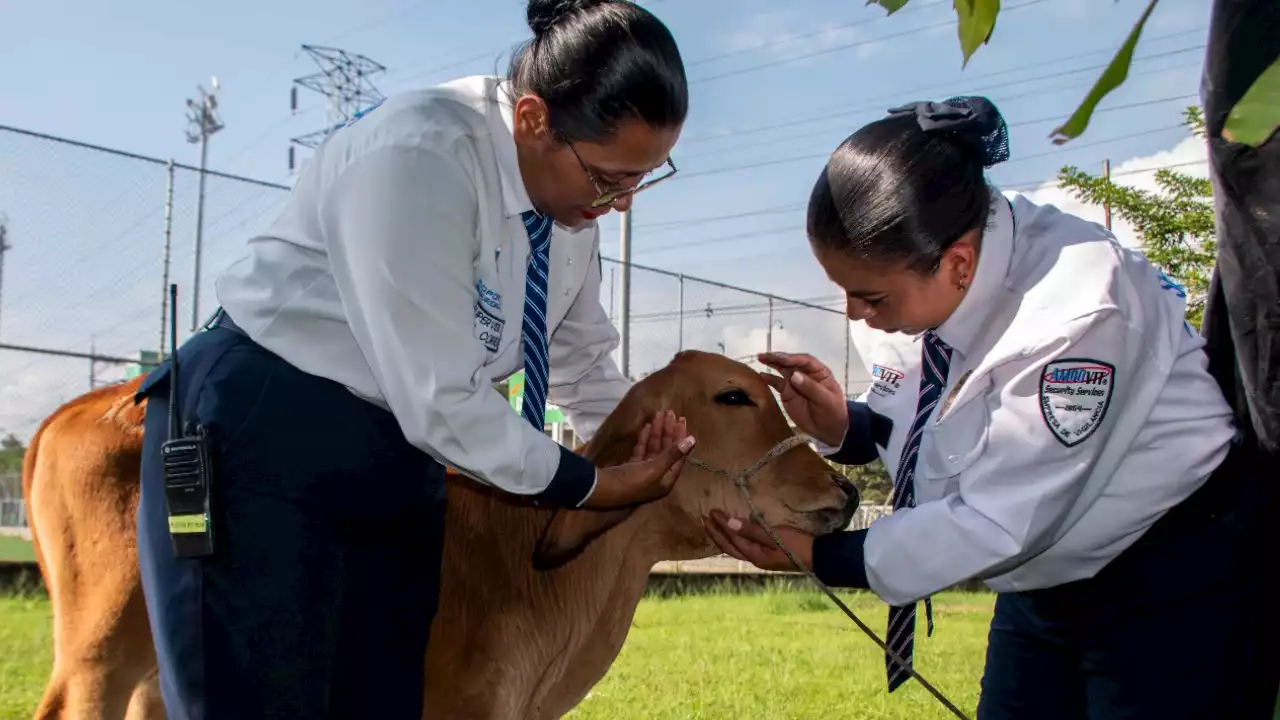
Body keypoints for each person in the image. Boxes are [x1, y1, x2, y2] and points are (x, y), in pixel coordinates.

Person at [132, 0, 696, 717]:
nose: (621, 203)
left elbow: (583, 362)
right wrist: (589, 482)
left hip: (397, 456)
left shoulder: (568, 210)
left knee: (384, 700)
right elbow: (442, 398)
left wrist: (644, 440)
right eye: (611, 176)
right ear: (532, 120)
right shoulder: (422, 154)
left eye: (644, 178)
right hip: (266, 431)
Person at [705, 96, 1276, 719]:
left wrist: (819, 554)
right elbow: (953, 427)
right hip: (1043, 585)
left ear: (958, 263)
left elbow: (998, 516)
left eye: (869, 297)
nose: (853, 313)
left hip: (1170, 581)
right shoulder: (930, 265)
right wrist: (850, 427)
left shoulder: (1078, 317)